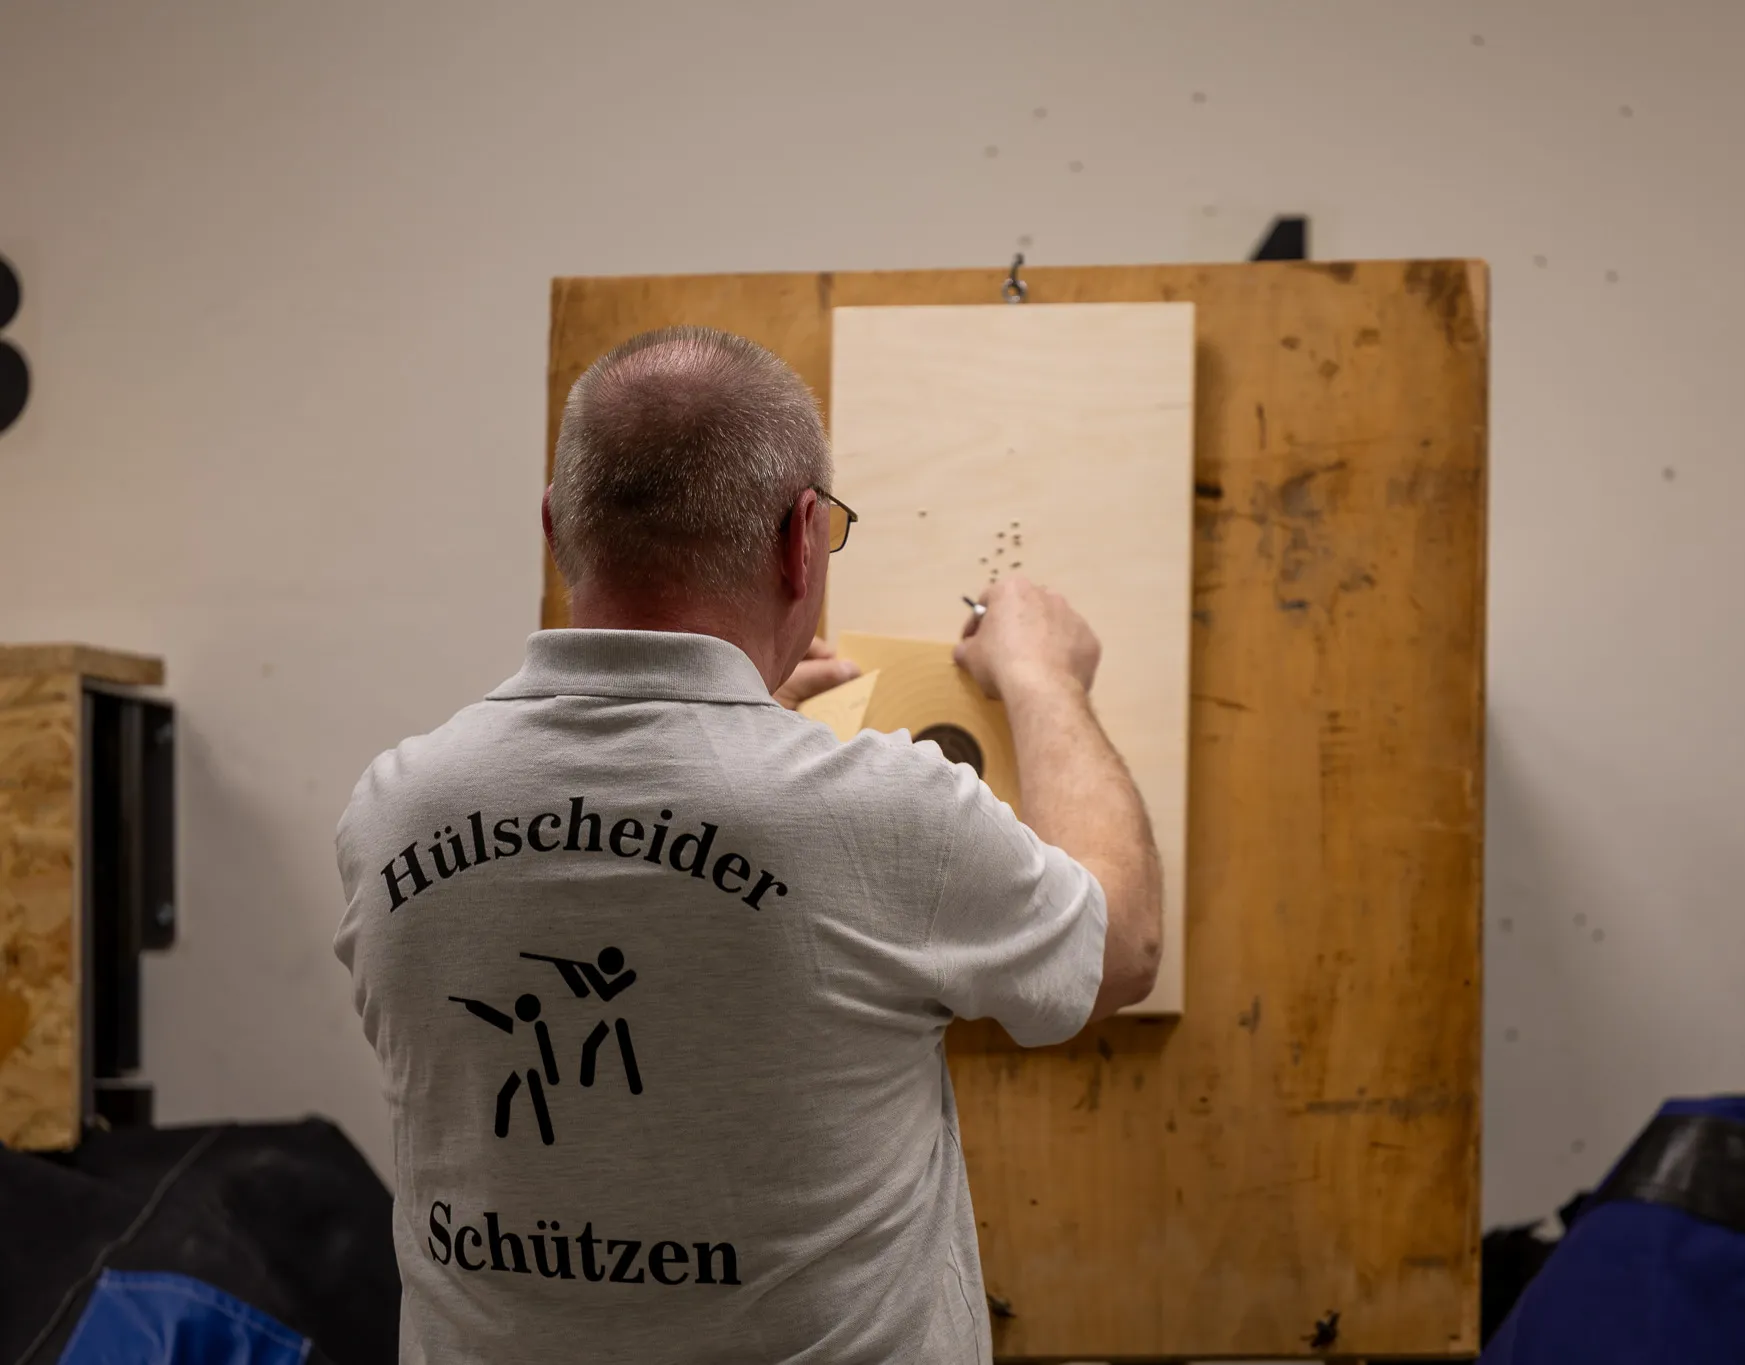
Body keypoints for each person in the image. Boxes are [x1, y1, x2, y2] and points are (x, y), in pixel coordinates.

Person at [333, 325, 1162, 1364]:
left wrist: (742, 731)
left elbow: (612, 851)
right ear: (800, 538)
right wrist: (1044, 677)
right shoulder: (880, 813)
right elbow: (1118, 944)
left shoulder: (395, 809)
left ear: (556, 531)